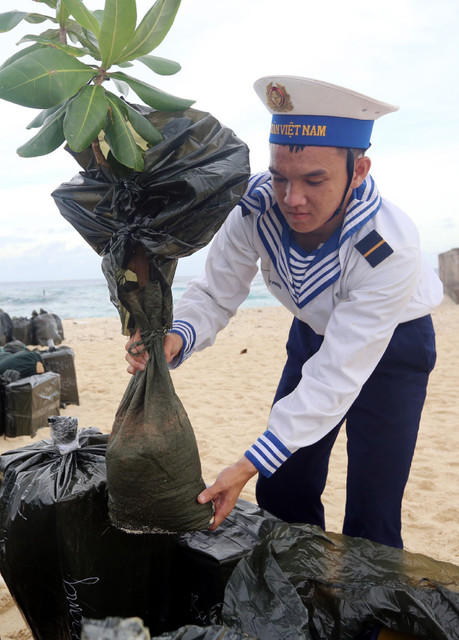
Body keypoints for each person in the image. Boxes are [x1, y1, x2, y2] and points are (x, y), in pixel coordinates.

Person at [125, 76, 443, 549]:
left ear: (358, 170)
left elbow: (336, 376)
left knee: (372, 508)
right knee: (283, 485)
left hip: (395, 345)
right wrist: (177, 337)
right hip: (313, 332)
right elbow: (216, 292)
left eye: (315, 180)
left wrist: (245, 464)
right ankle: (299, 590)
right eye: (280, 176)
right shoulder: (256, 208)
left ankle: (365, 620)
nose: (292, 199)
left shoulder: (388, 247)